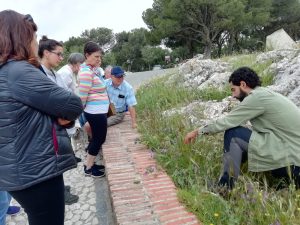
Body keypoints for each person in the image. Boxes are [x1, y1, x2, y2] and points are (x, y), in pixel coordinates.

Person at [0, 10, 83, 225]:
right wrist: (61, 116)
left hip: (15, 170)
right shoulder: (19, 72)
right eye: (33, 37)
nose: (36, 43)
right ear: (21, 37)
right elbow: (72, 104)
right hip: (36, 170)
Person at [184, 67, 300, 189]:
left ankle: (225, 187)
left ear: (243, 84)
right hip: (293, 160)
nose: (233, 95)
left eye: (233, 90)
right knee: (245, 136)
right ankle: (236, 177)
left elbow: (227, 121)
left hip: (293, 164)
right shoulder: (265, 94)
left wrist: (197, 132)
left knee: (234, 134)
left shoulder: (256, 98)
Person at [38, 36, 80, 205]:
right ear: (46, 53)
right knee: (54, 160)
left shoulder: (54, 73)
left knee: (60, 158)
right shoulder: (37, 74)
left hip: (61, 124)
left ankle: (60, 187)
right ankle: (60, 195)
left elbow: (65, 95)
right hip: (50, 127)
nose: (61, 58)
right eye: (59, 54)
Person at [78, 41, 108, 178]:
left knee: (97, 138)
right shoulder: (85, 72)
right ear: (87, 55)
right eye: (96, 56)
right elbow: (82, 97)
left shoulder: (91, 70)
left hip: (98, 112)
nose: (99, 59)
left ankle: (89, 164)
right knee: (99, 139)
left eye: (100, 57)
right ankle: (89, 168)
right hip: (94, 113)